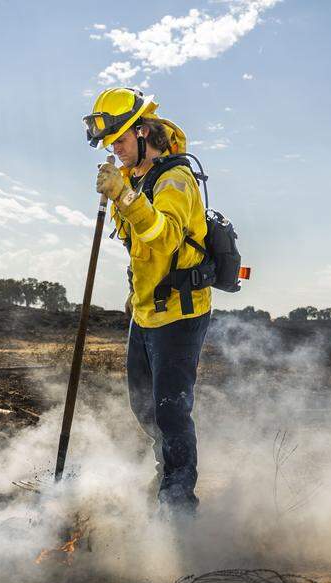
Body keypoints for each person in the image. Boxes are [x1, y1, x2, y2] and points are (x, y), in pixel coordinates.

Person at [83, 88, 211, 513]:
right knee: (143, 407)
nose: (115, 150)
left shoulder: (176, 179)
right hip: (145, 312)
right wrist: (122, 195)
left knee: (172, 413)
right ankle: (166, 476)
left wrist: (124, 196)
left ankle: (178, 504)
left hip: (178, 313)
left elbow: (165, 238)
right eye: (110, 144)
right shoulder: (137, 179)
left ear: (142, 132)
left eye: (119, 140)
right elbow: (136, 245)